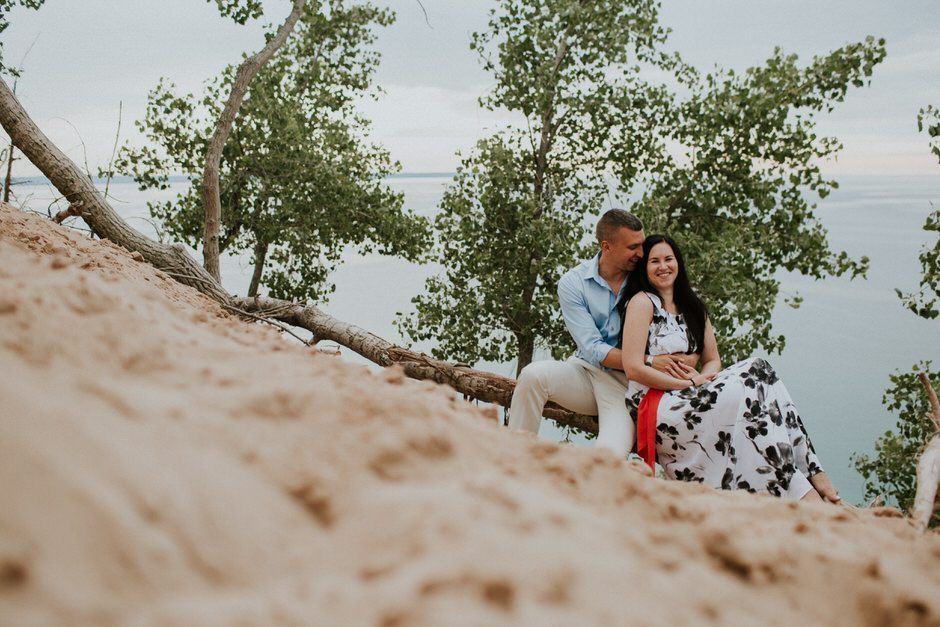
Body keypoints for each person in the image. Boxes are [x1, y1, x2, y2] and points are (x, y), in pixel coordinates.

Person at [619, 234, 840, 502]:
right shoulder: (642, 303)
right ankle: (811, 474)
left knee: (758, 389)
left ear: (678, 263)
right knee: (752, 385)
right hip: (657, 404)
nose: (663, 266)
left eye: (668, 259)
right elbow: (633, 368)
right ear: (644, 268)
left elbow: (713, 359)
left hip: (691, 394)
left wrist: (701, 377)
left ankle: (803, 483)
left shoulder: (692, 306)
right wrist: (687, 384)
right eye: (654, 261)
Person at [508, 210, 697, 458]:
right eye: (632, 247)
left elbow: (680, 317)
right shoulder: (573, 283)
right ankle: (516, 459)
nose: (641, 253)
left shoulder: (646, 276)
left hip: (628, 385)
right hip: (585, 372)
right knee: (532, 375)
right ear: (606, 246)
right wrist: (650, 360)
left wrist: (688, 359)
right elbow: (593, 348)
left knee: (610, 455)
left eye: (641, 244)